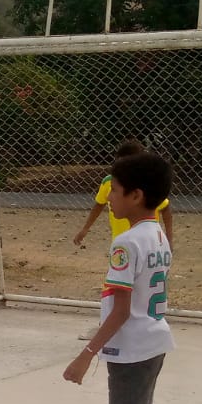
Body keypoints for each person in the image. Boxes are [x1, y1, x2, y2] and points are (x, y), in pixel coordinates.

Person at [61, 150, 175, 404]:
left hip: (133, 348)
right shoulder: (158, 234)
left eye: (116, 190)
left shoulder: (126, 243)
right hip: (152, 342)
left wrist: (86, 354)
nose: (109, 197)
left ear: (136, 195)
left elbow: (123, 310)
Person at [73, 139, 176, 340]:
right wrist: (85, 229)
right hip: (127, 245)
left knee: (131, 290)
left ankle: (110, 330)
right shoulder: (110, 183)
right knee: (120, 289)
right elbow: (99, 205)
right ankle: (107, 326)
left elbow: (165, 208)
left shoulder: (146, 187)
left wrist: (169, 238)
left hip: (140, 245)